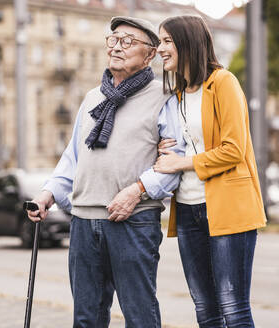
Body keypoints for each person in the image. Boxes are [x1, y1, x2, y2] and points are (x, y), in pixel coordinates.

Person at [26, 16, 185, 328]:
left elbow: (173, 162)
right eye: (113, 39)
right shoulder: (92, 99)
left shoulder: (163, 96)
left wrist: (136, 190)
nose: (117, 46)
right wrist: (47, 194)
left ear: (150, 54)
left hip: (133, 220)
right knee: (86, 319)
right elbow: (73, 159)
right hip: (84, 222)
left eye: (128, 41)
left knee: (139, 317)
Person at [153, 15, 267, 327]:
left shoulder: (223, 83)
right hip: (188, 210)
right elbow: (180, 146)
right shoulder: (176, 95)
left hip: (228, 208)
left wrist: (182, 162)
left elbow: (234, 149)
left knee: (233, 308)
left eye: (166, 41)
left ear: (186, 42)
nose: (160, 48)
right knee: (205, 309)